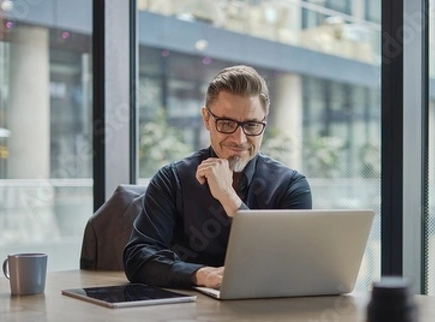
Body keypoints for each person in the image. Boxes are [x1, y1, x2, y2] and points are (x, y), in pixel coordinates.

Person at [123, 65, 312, 289]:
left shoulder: (291, 186)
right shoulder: (172, 179)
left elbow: (292, 265)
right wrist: (202, 275)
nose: (239, 139)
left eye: (251, 125)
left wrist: (229, 198)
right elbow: (138, 259)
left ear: (265, 122)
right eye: (226, 124)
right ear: (206, 119)